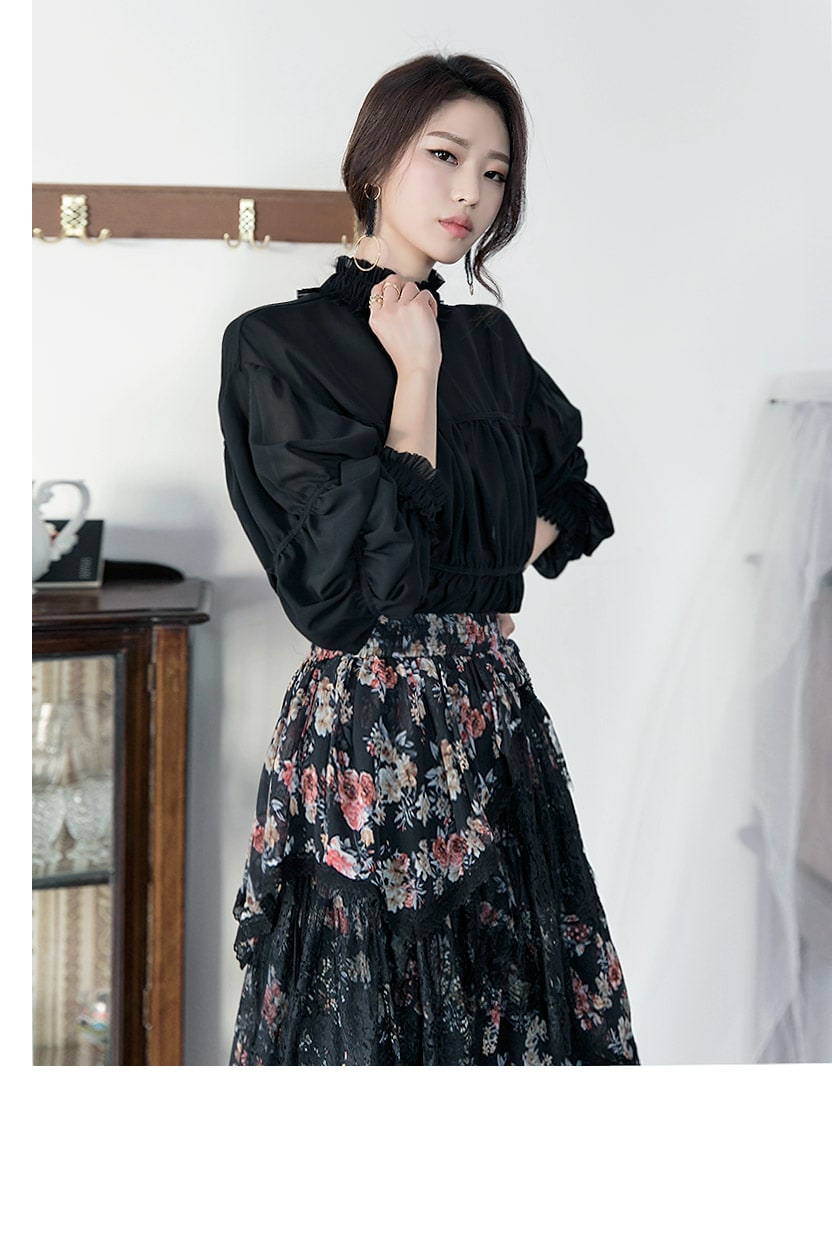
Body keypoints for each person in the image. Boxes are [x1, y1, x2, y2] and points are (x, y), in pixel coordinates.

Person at [217, 51, 641, 1065]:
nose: (471, 194)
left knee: (512, 1014)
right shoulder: (278, 345)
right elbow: (341, 598)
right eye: (445, 157)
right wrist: (415, 372)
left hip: (492, 717)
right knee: (379, 1024)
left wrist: (476, 564)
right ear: (375, 161)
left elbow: (574, 502)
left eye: (495, 173)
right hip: (369, 724)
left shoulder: (490, 343)